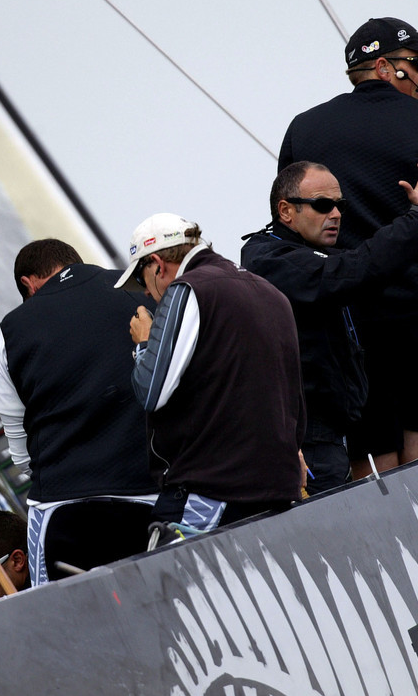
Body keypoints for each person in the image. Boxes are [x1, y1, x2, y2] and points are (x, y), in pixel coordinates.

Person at [279, 17, 418, 471]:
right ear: (384, 67)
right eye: (417, 63)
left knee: (372, 470)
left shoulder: (304, 128)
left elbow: (290, 226)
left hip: (349, 322)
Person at [240, 147, 418, 491]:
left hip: (331, 436)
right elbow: (358, 268)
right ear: (286, 211)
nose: (336, 214)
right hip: (306, 441)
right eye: (323, 205)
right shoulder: (272, 260)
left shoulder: (311, 255)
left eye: (340, 205)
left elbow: (373, 262)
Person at [120, 214, 305, 530]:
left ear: (157, 265)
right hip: (278, 490)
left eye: (140, 278)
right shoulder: (270, 291)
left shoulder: (187, 288)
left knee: (169, 564)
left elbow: (150, 391)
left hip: (210, 492)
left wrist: (145, 344)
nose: (146, 293)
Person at [0, 239, 157, 584]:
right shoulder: (142, 293)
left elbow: (19, 451)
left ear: (28, 284)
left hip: (61, 508)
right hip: (148, 495)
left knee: (61, 616)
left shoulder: (12, 330)